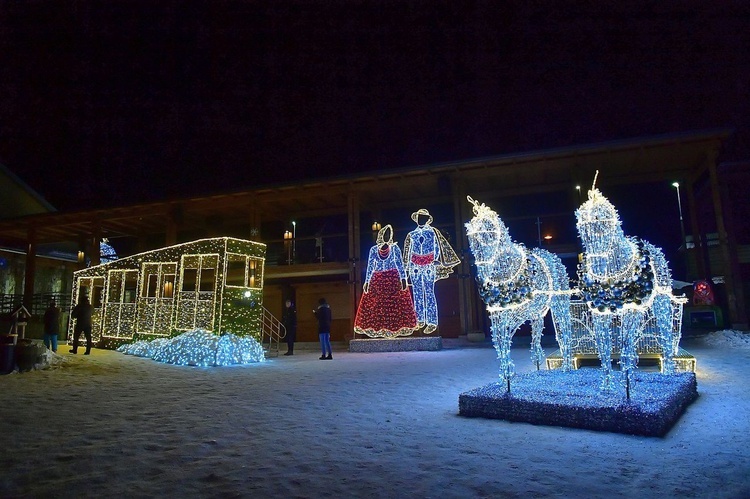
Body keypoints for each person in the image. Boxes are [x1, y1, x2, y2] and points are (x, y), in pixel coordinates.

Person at [402, 208, 460, 334]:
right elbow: (407, 252)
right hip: (415, 267)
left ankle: (432, 321)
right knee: (417, 293)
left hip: (428, 265)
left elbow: (437, 247)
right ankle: (419, 320)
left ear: (428, 219)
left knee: (429, 292)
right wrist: (406, 269)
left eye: (423, 217)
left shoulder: (433, 233)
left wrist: (436, 259)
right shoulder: (412, 235)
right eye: (419, 217)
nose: (420, 219)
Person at [354, 224, 417, 337]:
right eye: (385, 234)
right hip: (377, 281)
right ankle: (379, 328)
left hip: (392, 279)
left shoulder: (395, 248)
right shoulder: (373, 250)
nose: (387, 237)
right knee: (377, 306)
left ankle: (392, 329)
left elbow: (399, 264)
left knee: (394, 306)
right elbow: (370, 266)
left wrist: (403, 279)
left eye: (389, 235)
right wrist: (367, 281)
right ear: (380, 235)